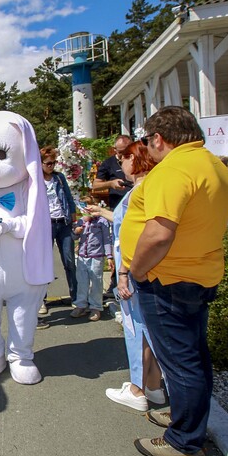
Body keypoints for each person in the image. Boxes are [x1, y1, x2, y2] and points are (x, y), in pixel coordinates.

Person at [119, 107, 228, 456]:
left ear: (157, 139)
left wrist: (136, 270)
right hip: (198, 273)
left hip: (167, 278)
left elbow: (158, 233)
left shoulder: (173, 170)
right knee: (194, 356)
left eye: (147, 142)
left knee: (181, 363)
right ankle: (187, 417)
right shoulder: (211, 163)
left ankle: (185, 441)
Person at [87, 140, 165, 412]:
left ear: (136, 160)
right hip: (140, 269)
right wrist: (100, 212)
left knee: (136, 330)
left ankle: (136, 388)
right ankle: (154, 386)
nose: (120, 165)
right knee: (146, 329)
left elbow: (136, 235)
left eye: (124, 159)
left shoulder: (140, 190)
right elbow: (124, 222)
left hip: (133, 270)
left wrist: (123, 272)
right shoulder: (143, 189)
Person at [92, 135, 134, 301]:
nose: (122, 155)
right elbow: (95, 185)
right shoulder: (109, 163)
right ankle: (116, 282)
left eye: (125, 152)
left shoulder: (137, 160)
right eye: (119, 152)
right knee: (118, 247)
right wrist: (110, 183)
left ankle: (128, 280)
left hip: (135, 206)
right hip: (116, 210)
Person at [39, 146, 78, 315]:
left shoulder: (59, 178)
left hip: (63, 223)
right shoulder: (35, 180)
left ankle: (76, 297)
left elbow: (68, 198)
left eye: (54, 162)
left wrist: (73, 217)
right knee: (43, 263)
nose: (51, 166)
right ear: (40, 163)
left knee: (69, 261)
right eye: (48, 163)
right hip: (45, 225)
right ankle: (41, 300)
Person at [70, 200, 113, 322]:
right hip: (83, 256)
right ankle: (81, 305)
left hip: (96, 256)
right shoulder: (81, 222)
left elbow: (106, 239)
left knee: (96, 281)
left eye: (88, 208)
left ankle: (96, 307)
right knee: (82, 281)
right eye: (84, 209)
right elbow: (74, 237)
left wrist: (109, 256)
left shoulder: (102, 222)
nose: (86, 212)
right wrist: (76, 232)